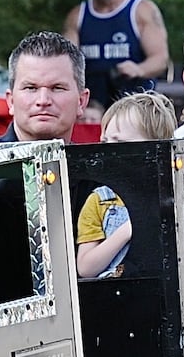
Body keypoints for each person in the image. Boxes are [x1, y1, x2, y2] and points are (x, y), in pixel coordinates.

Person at [76, 93, 177, 279]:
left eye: (120, 143)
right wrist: (129, 229)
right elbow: (85, 268)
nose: (109, 150)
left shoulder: (175, 197)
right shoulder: (100, 200)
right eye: (106, 141)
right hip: (115, 300)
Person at [63, 0, 171, 121]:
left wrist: (138, 69)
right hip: (93, 110)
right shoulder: (78, 16)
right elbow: (65, 64)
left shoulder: (142, 10)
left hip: (135, 106)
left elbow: (160, 59)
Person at [0, 31, 91, 143]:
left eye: (57, 88)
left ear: (81, 101)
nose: (43, 100)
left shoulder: (97, 160)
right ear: (11, 101)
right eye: (31, 88)